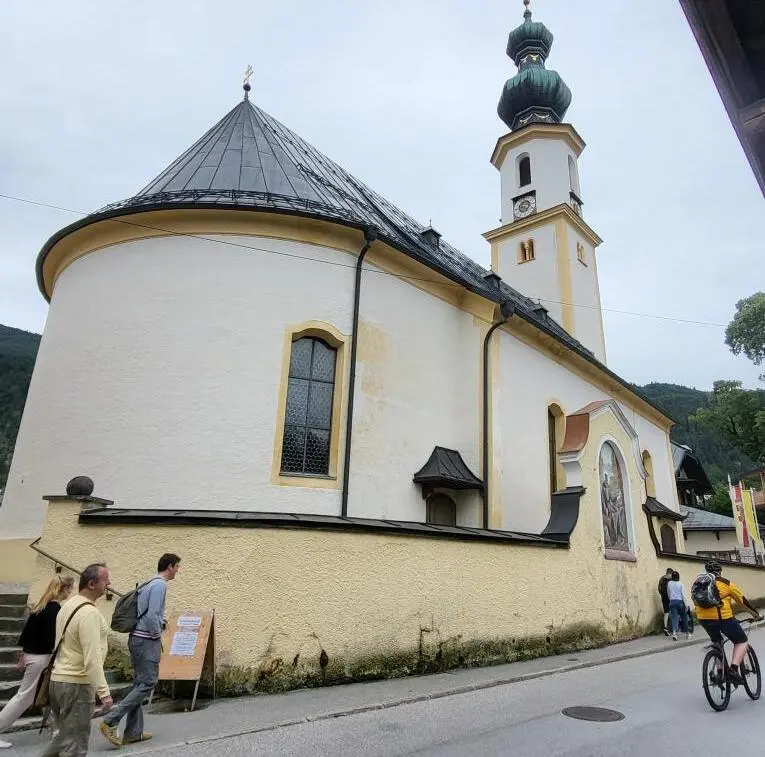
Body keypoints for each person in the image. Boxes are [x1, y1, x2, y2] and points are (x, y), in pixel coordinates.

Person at [100, 553, 181, 747]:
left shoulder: (148, 583)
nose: (178, 570)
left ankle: (133, 732)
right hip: (146, 640)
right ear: (169, 567)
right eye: (177, 566)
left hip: (137, 638)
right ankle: (110, 720)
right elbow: (152, 615)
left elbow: (146, 612)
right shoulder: (160, 585)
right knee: (148, 683)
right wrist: (157, 632)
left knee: (139, 684)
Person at [40, 563, 112, 757]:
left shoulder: (68, 605)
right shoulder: (89, 613)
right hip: (77, 685)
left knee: (62, 738)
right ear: (91, 583)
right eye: (105, 580)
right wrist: (104, 693)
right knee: (75, 747)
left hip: (59, 681)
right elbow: (92, 659)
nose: (109, 584)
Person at [0, 576, 74, 749]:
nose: (70, 593)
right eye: (70, 589)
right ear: (64, 589)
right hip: (42, 658)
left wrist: (24, 654)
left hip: (34, 656)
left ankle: (56, 730)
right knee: (25, 697)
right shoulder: (55, 609)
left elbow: (26, 634)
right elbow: (52, 639)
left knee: (45, 695)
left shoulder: (42, 605)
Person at [694, 560, 763, 683]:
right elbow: (743, 601)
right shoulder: (727, 583)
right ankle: (733, 669)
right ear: (720, 571)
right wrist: (756, 614)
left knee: (717, 641)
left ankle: (720, 672)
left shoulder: (699, 583)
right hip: (723, 618)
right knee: (742, 641)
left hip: (703, 619)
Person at [667, 570, 691, 641]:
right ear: (678, 577)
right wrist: (686, 605)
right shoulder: (681, 584)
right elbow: (683, 595)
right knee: (684, 617)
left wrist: (671, 600)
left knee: (674, 617)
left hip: (672, 602)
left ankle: (674, 633)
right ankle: (687, 633)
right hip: (680, 602)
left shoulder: (669, 583)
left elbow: (668, 593)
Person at [658, 567, 673, 636]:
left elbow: (659, 588)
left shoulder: (661, 578)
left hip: (664, 597)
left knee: (666, 612)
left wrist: (662, 594)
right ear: (670, 573)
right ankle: (673, 628)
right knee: (672, 612)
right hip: (670, 597)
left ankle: (665, 628)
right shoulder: (671, 579)